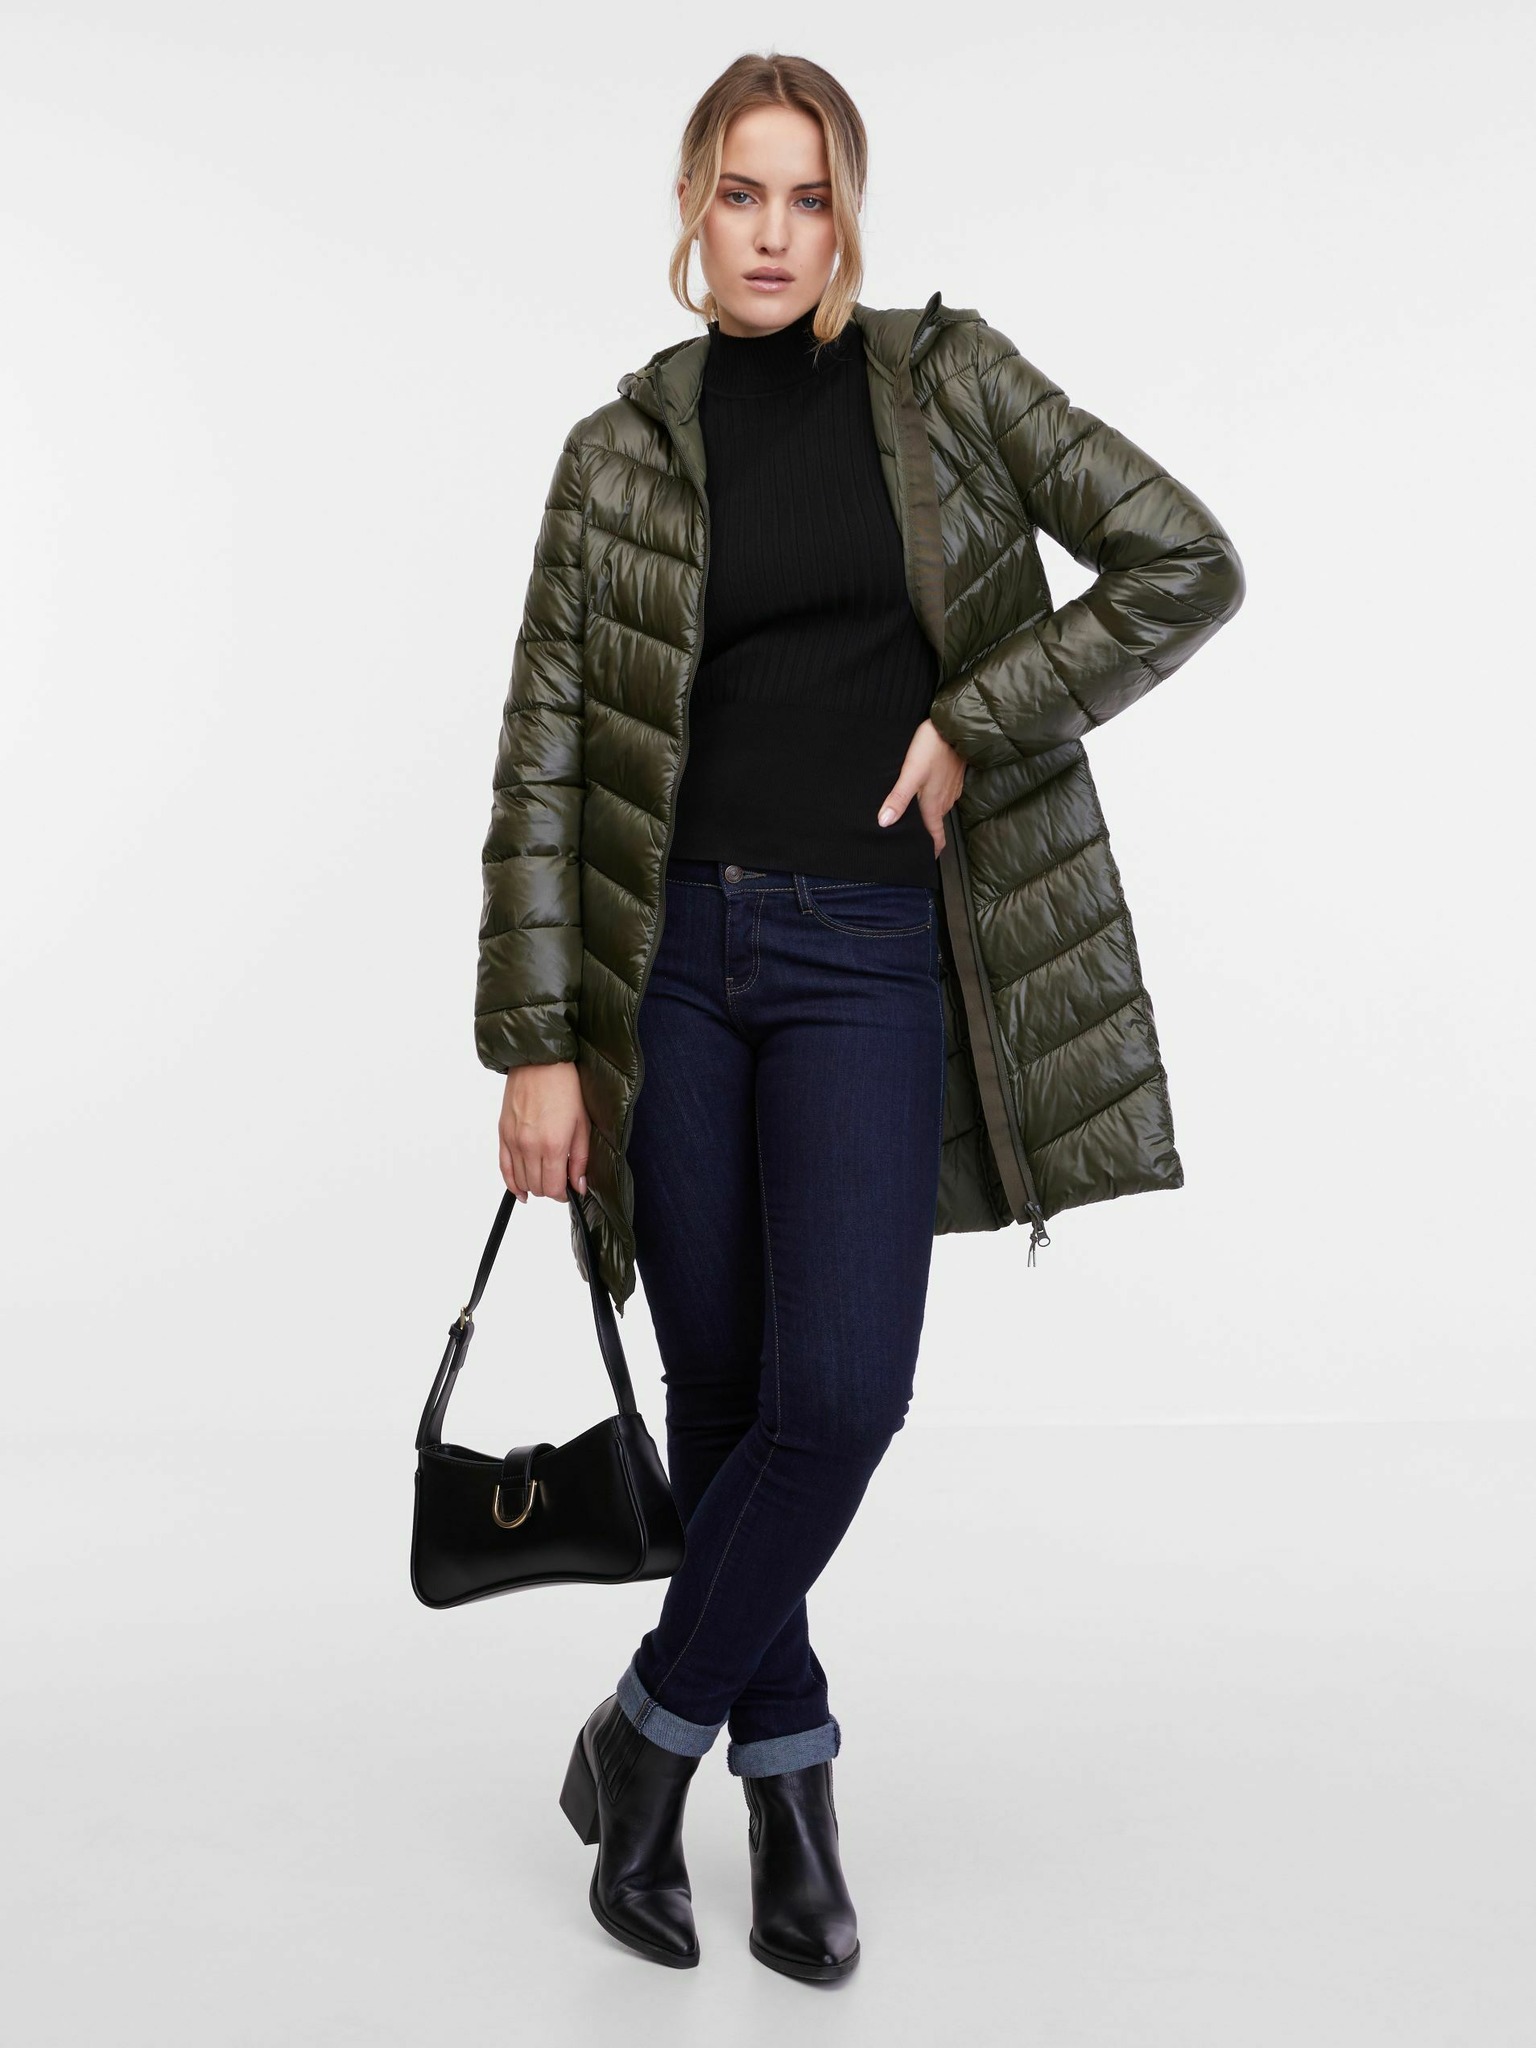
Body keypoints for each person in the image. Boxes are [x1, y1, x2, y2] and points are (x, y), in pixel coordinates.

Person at [474, 53, 1245, 1982]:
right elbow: (544, 760)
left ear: (848, 216)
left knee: (841, 1400)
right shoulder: (617, 454)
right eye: (741, 194)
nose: (772, 233)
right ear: (692, 205)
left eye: (806, 198)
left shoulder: (946, 385)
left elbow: (1184, 558)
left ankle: (643, 1735)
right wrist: (538, 1043)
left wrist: (979, 719)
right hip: (669, 967)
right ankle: (791, 1793)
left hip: (866, 953)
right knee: (729, 1403)